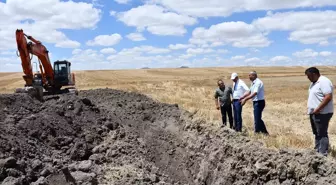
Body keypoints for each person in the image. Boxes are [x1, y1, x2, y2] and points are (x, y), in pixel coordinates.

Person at [305, 67, 334, 156]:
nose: (308, 78)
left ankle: (323, 154)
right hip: (314, 112)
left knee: (322, 133)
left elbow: (328, 97)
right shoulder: (314, 83)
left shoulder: (323, 81)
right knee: (317, 133)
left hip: (322, 113)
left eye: (309, 76)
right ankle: (317, 150)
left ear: (314, 74)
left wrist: (318, 109)